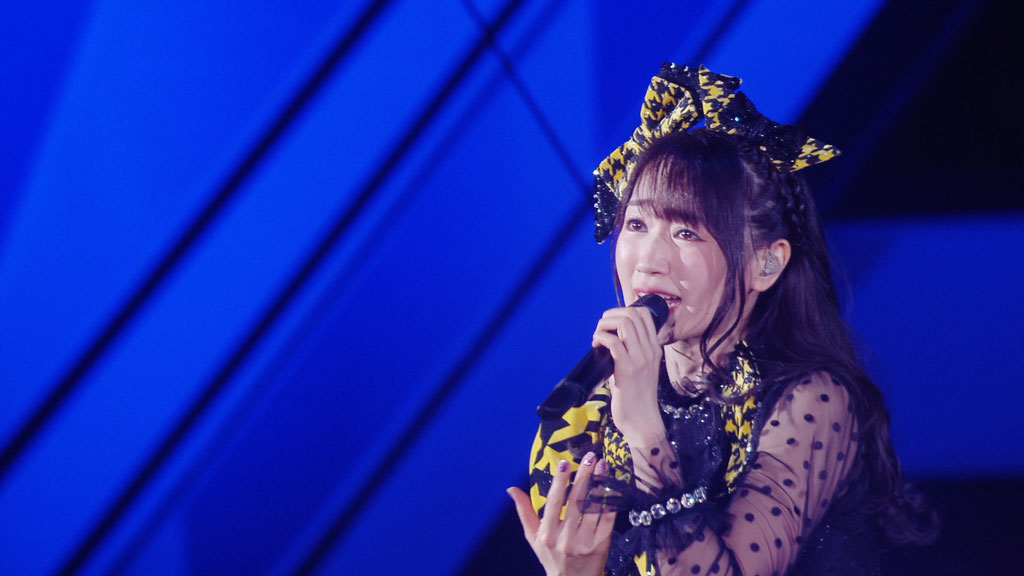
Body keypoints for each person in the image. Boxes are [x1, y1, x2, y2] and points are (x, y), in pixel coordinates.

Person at [506, 63, 936, 576]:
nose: (649, 261)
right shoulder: (587, 414)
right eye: (637, 224)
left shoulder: (810, 402)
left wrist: (644, 430)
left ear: (765, 263)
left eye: (686, 233)